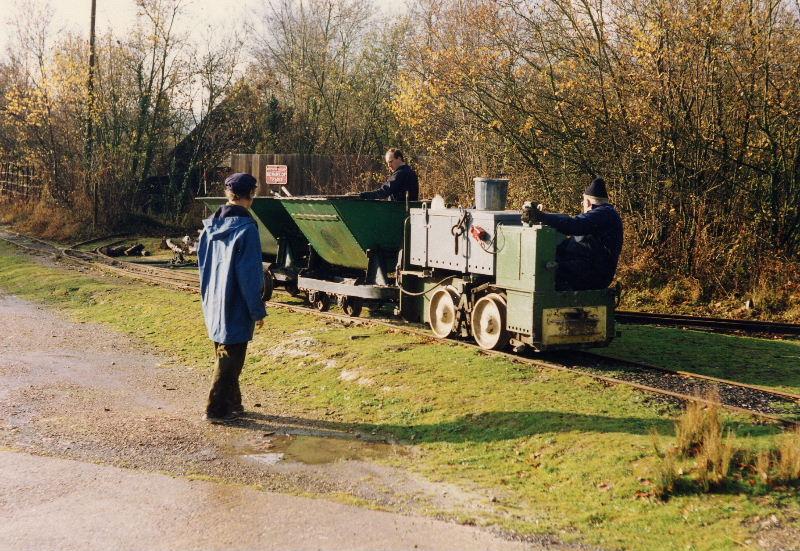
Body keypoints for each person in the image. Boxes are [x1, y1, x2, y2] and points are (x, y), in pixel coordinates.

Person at [197, 172, 267, 422]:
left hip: (213, 299)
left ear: (229, 194)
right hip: (236, 301)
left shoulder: (209, 227)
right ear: (251, 195)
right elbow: (250, 275)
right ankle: (217, 409)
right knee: (231, 357)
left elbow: (202, 266)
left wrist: (207, 297)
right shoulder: (247, 229)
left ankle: (233, 404)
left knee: (223, 351)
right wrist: (257, 310)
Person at [522, 177, 623, 291]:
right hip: (591, 269)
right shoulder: (604, 216)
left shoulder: (603, 214)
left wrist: (541, 217)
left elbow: (574, 225)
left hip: (592, 273)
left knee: (544, 270)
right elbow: (573, 241)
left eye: (582, 202)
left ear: (587, 202)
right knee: (550, 262)